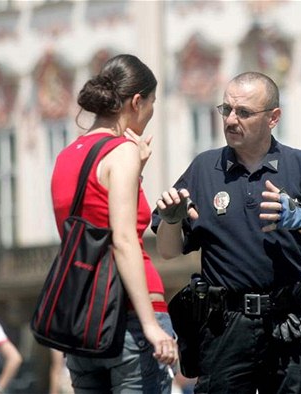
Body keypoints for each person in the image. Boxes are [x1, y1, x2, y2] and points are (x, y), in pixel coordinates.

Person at [153, 71, 301, 394]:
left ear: (273, 117)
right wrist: (171, 220)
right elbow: (167, 250)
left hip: (289, 324)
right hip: (225, 327)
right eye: (226, 110)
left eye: (244, 112)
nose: (231, 120)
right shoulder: (204, 169)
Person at [50, 53, 178, 393]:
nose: (151, 113)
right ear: (137, 102)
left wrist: (138, 171)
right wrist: (151, 326)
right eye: (151, 103)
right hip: (131, 316)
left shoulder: (67, 156)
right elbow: (122, 239)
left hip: (83, 320)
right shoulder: (120, 152)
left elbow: (93, 227)